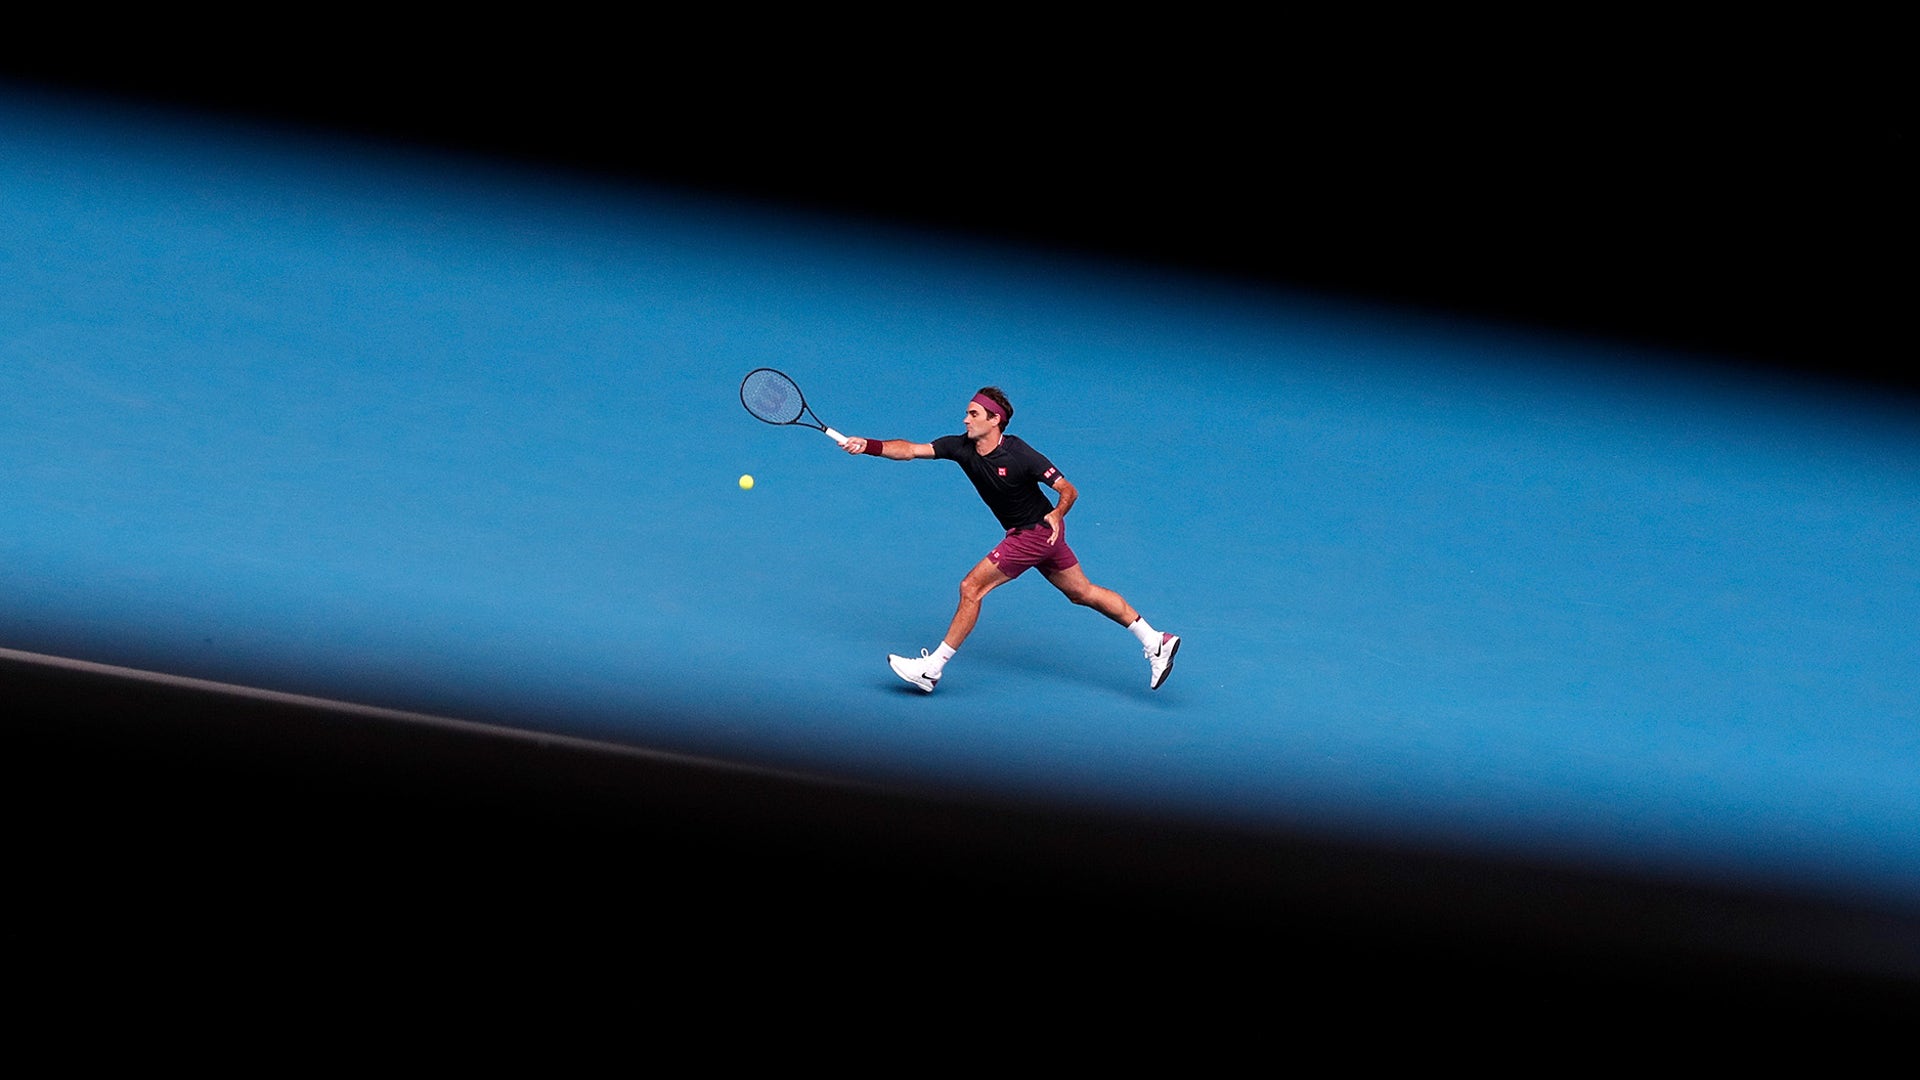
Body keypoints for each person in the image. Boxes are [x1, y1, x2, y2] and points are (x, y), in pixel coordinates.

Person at [843, 386, 1179, 692]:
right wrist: (868, 446)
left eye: (973, 414)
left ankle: (932, 668)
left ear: (995, 420)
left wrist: (1058, 512)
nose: (965, 419)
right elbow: (909, 450)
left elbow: (1068, 489)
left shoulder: (1020, 454)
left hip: (1032, 534)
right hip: (1042, 537)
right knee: (1082, 592)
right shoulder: (960, 447)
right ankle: (1155, 639)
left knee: (971, 588)